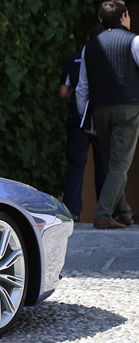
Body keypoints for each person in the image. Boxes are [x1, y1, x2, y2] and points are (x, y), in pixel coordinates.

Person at [76, 0, 139, 228]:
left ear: (101, 20)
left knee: (112, 163)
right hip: (128, 108)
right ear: (123, 17)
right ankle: (103, 214)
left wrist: (87, 117)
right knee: (120, 165)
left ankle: (123, 212)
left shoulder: (89, 47)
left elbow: (82, 87)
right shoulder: (134, 41)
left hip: (100, 110)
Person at [60, 25, 107, 221]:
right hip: (100, 116)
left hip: (78, 116)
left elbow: (63, 92)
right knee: (103, 164)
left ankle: (72, 212)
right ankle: (106, 211)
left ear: (87, 38)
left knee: (75, 164)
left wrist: (75, 97)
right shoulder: (105, 58)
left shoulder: (74, 58)